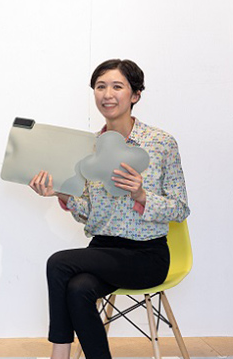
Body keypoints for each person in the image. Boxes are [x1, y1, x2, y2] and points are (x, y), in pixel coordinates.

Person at [29, 59, 190, 359]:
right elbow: (88, 214)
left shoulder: (161, 143)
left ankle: (59, 355)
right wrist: (60, 192)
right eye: (100, 86)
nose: (107, 94)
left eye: (117, 87)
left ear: (135, 94)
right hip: (102, 250)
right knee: (78, 289)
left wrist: (142, 195)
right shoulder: (88, 148)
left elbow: (180, 209)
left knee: (59, 263)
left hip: (146, 255)